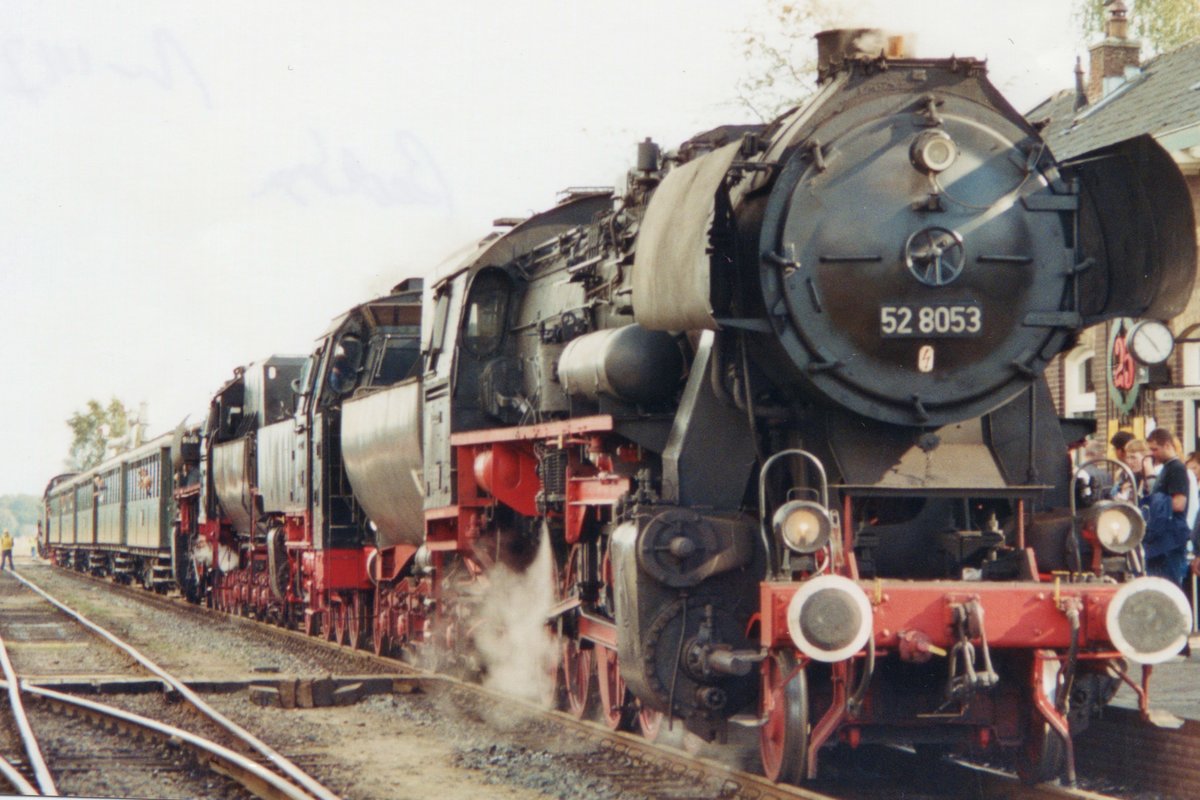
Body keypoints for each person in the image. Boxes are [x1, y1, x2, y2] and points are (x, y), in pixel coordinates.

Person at [1142, 429, 1191, 587]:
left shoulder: (1176, 469)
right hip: (1164, 539)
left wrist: (1154, 503)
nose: (1152, 454)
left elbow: (1179, 503)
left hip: (1171, 539)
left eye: (1155, 449)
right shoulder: (1167, 468)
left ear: (1168, 445)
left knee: (1169, 586)